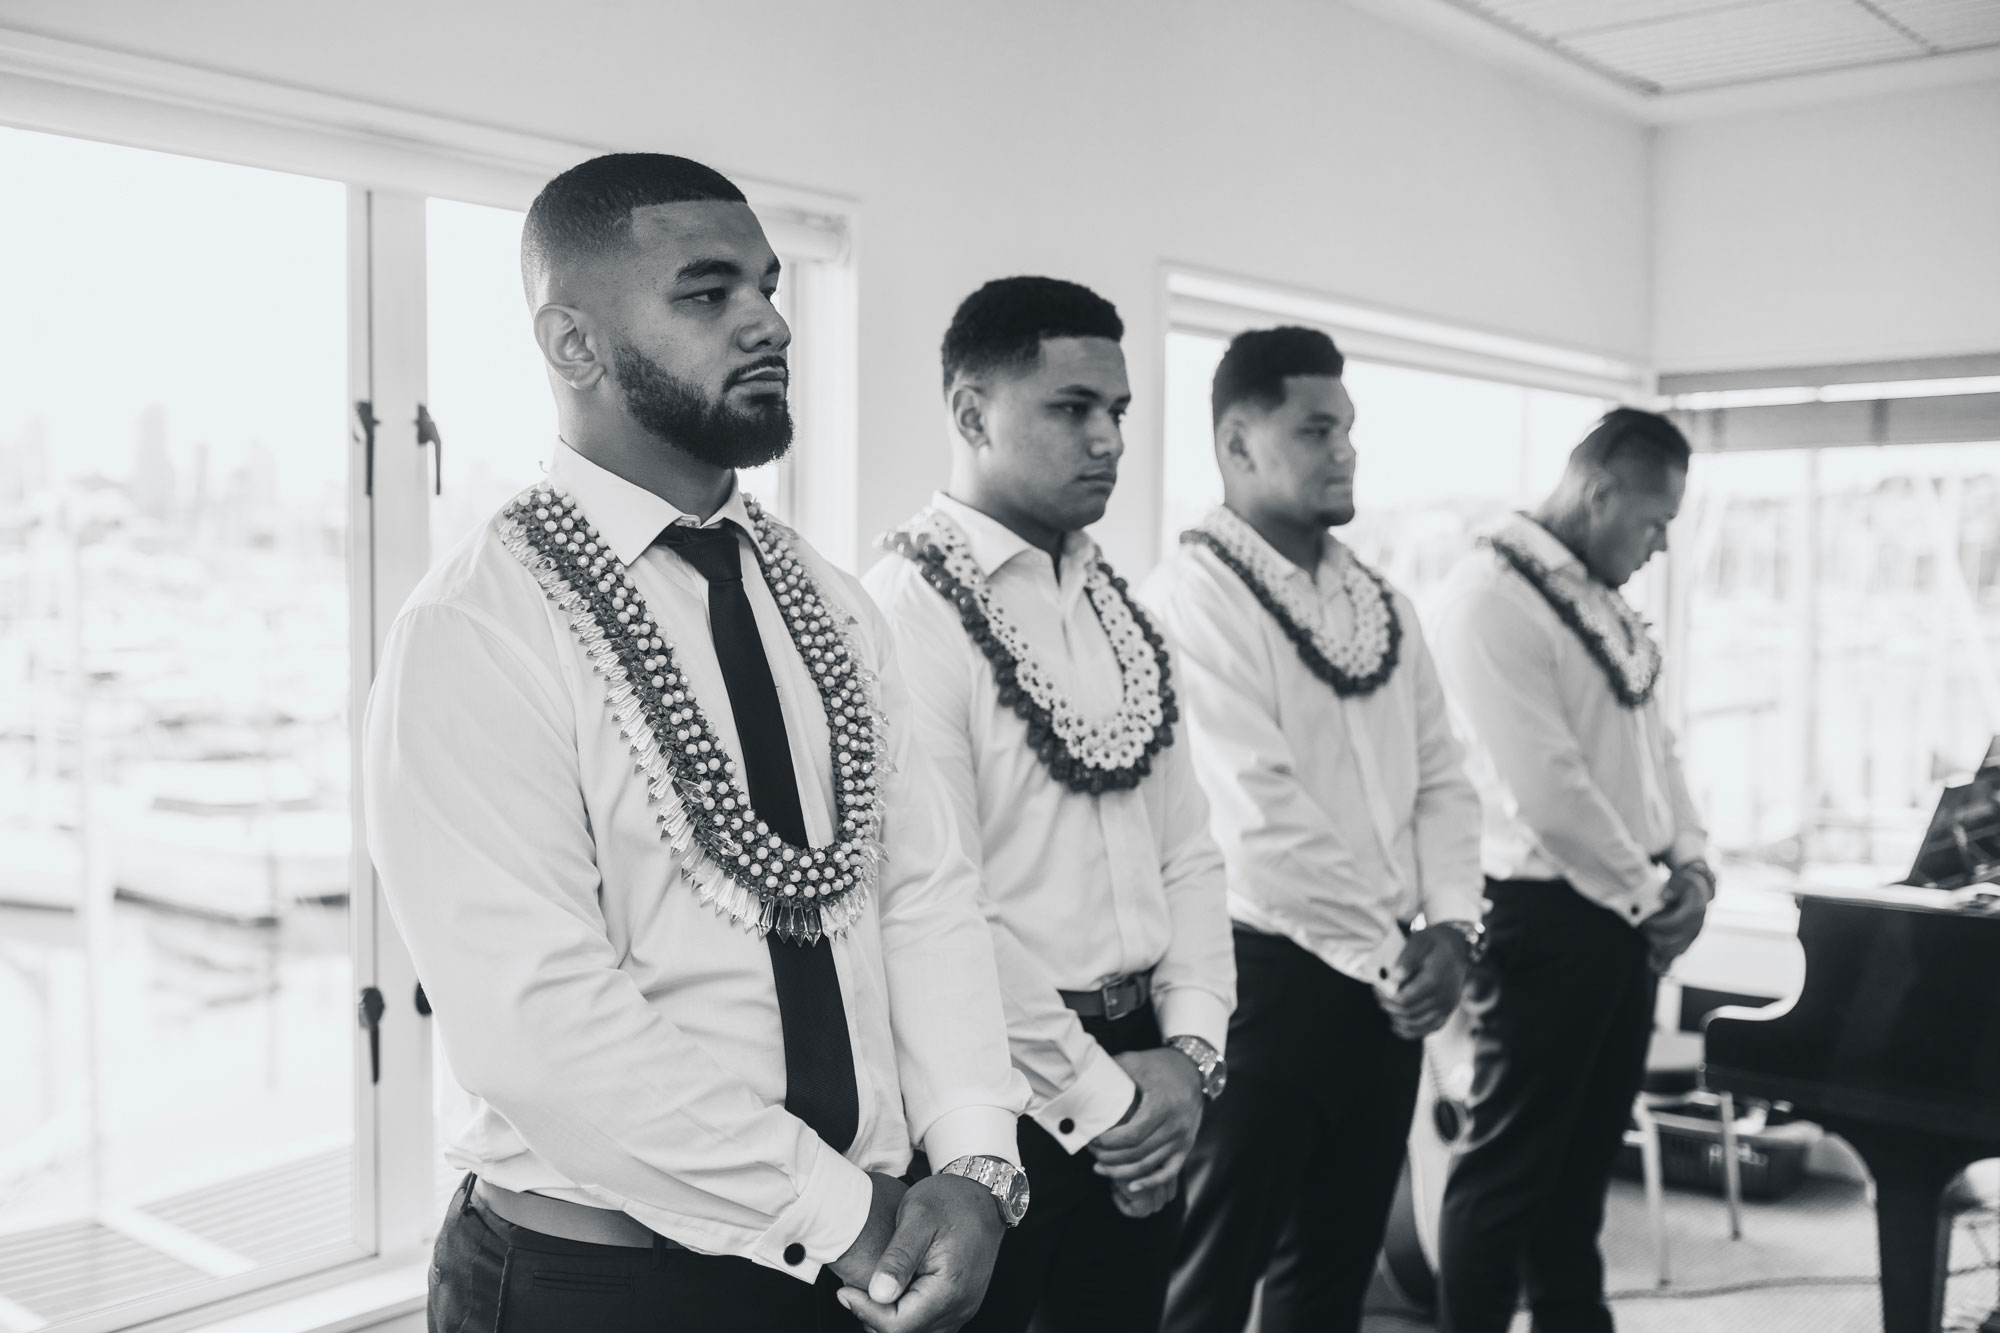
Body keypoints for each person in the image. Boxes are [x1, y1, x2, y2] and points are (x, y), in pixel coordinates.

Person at [364, 153, 1033, 1333]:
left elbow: (924, 895)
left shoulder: (828, 602)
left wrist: (977, 1164)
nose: (768, 321)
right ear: (573, 345)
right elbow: (540, 1026)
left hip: (865, 1257)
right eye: (706, 291)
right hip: (611, 1285)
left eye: (768, 287)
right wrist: (845, 1215)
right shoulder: (478, 626)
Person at [862, 277, 1236, 1333]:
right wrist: (1109, 1101)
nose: (1107, 437)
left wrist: (1188, 1055)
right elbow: (942, 902)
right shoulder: (902, 613)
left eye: (1116, 411)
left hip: (1152, 1061)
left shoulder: (1118, 604)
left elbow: (1191, 850)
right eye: (1071, 408)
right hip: (1003, 1089)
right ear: (972, 412)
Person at [1140, 326, 1484, 1333]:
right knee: (1205, 1278)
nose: (1343, 450)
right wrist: (1402, 958)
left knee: (1330, 1273)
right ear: (1238, 446)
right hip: (1264, 983)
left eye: (1348, 428)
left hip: (1393, 990)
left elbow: (1444, 781)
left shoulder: (1383, 603)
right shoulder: (1190, 600)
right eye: (1315, 428)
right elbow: (1256, 816)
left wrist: (1453, 931)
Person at [1430, 407, 1715, 1333]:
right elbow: (1547, 787)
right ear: (1598, 490)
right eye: (1654, 519)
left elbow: (1652, 748)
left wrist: (1696, 867)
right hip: (1544, 921)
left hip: (1624, 916)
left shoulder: (1602, 599)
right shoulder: (1490, 598)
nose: (1660, 544)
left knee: (1583, 1169)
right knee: (1507, 1169)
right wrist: (1652, 897)